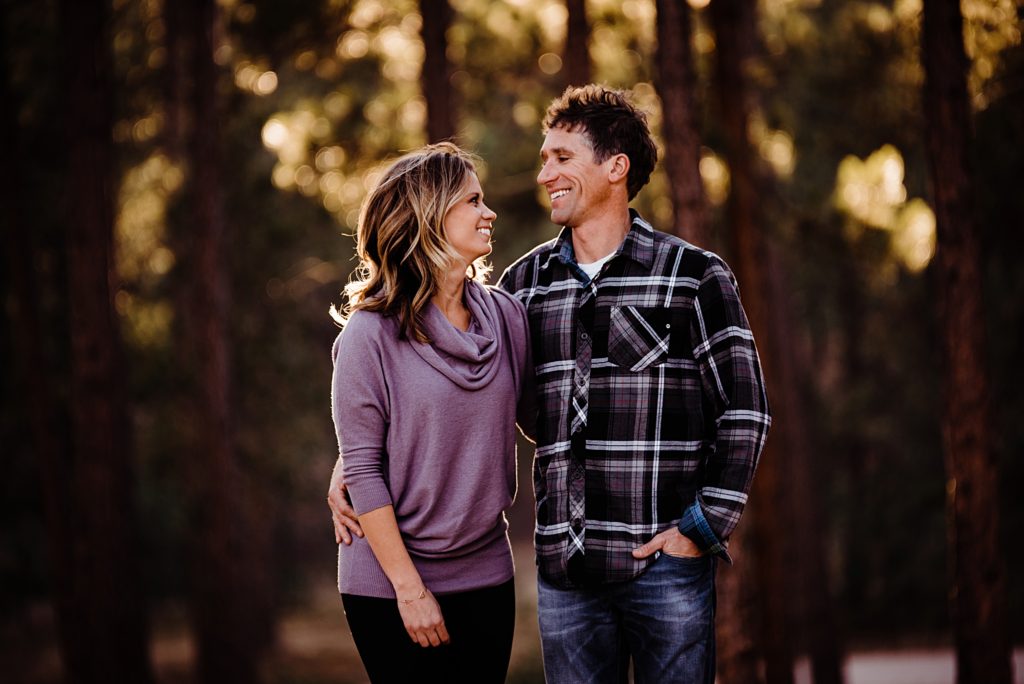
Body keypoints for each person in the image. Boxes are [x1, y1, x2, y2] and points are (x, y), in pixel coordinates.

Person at [493, 85, 771, 683]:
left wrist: (701, 530)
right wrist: (355, 465)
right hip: (565, 572)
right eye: (544, 159)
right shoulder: (523, 285)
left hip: (665, 567)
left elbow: (745, 412)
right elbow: (467, 386)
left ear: (616, 167)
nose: (545, 174)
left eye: (562, 158)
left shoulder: (694, 276)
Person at [327, 142, 533, 683]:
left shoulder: (506, 317)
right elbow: (366, 468)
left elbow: (541, 418)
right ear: (429, 215)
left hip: (487, 572)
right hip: (390, 582)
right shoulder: (368, 335)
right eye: (473, 201)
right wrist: (410, 591)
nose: (489, 213)